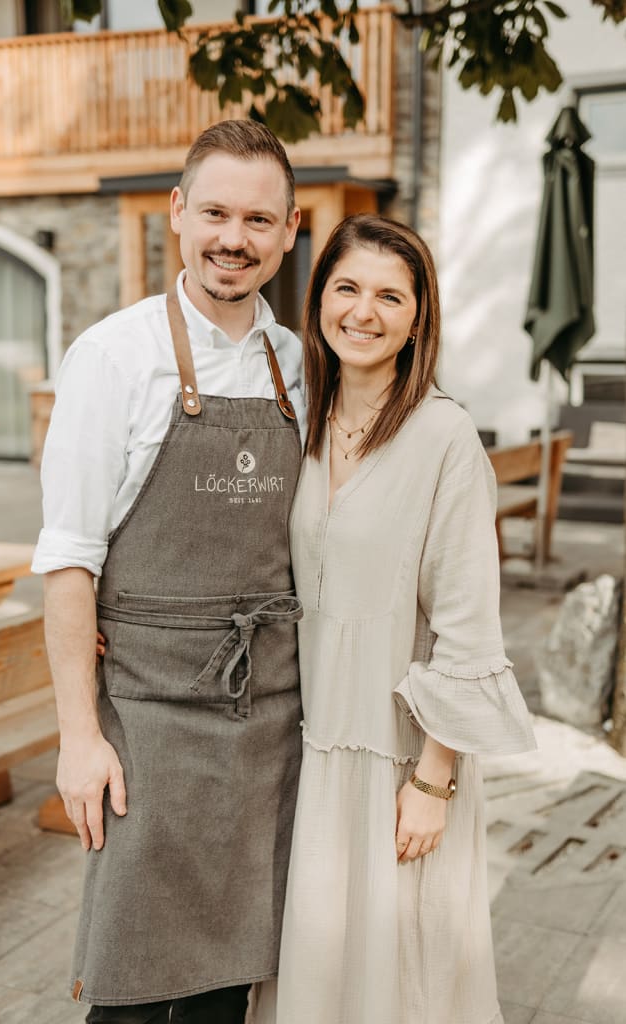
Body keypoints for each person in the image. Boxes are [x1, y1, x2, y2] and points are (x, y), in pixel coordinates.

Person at [32, 119, 305, 1024]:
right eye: (216, 213)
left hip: (268, 721)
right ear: (178, 213)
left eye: (258, 220)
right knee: (132, 986)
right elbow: (68, 563)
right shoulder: (112, 356)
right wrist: (79, 738)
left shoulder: (299, 365)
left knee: (230, 981)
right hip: (146, 721)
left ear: (289, 230)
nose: (235, 238)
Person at [249, 214, 536, 1024]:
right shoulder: (300, 420)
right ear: (317, 299)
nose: (362, 312)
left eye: (389, 296)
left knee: (398, 981)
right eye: (346, 288)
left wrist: (433, 781)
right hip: (308, 753)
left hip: (400, 760)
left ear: (418, 318)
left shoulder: (444, 436)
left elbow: (467, 626)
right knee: (317, 975)